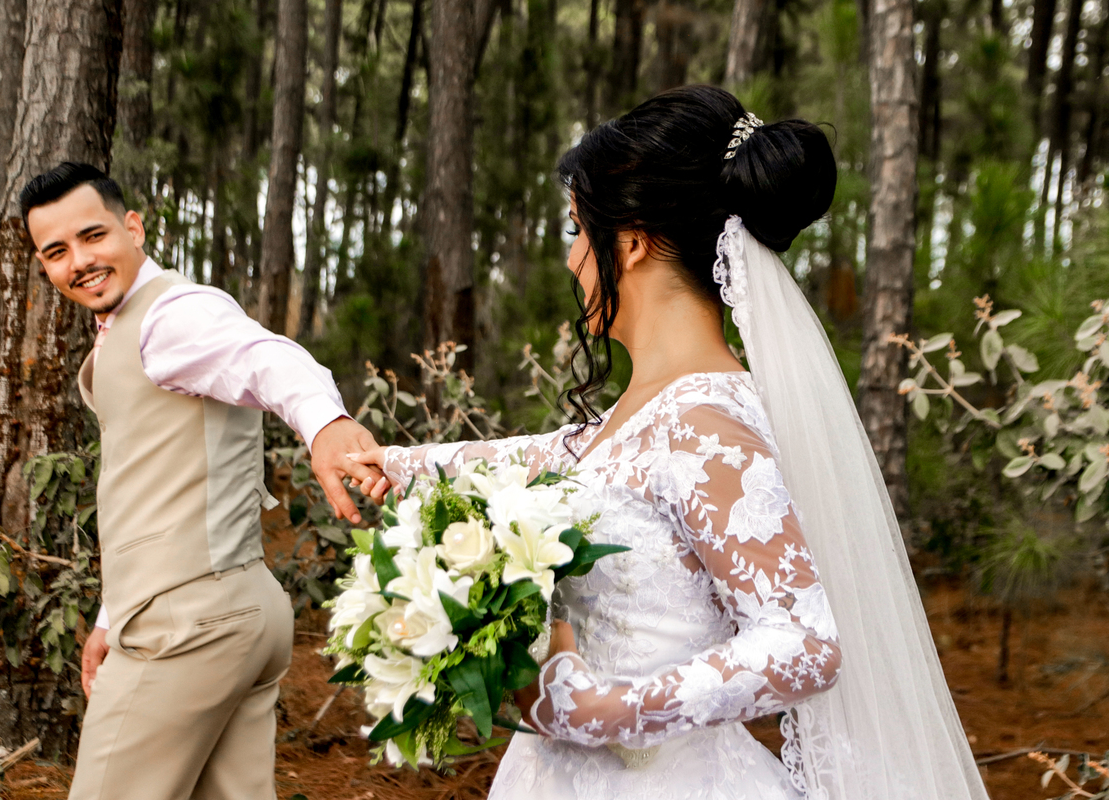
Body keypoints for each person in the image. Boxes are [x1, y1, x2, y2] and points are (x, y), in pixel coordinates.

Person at [350, 86, 990, 799]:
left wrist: (596, 710)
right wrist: (391, 466)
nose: (571, 260)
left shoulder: (705, 422)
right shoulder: (650, 409)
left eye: (575, 229)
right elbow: (549, 455)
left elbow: (806, 645)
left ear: (628, 238)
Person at [21, 162, 389, 800]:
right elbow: (151, 485)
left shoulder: (172, 315)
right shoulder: (131, 326)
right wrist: (113, 614)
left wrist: (325, 423)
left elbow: (265, 357)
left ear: (133, 228)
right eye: (56, 252)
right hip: (237, 611)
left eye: (93, 236)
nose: (78, 261)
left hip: (187, 625)